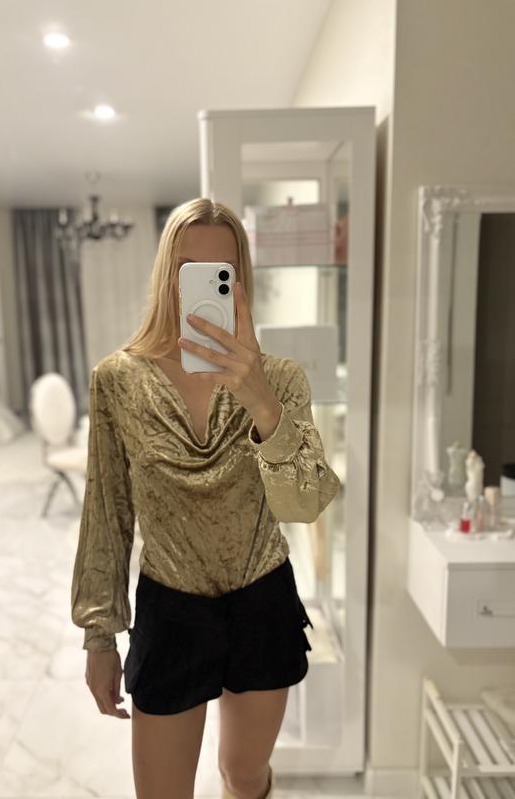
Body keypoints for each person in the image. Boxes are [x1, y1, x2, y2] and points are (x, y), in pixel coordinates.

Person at [70, 197, 341, 799]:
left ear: (240, 280)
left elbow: (303, 505)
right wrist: (99, 635)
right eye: (187, 268)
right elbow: (106, 513)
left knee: (244, 776)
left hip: (261, 598)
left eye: (222, 271)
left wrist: (260, 399)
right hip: (170, 605)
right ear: (166, 274)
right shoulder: (119, 380)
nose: (203, 284)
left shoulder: (280, 379)